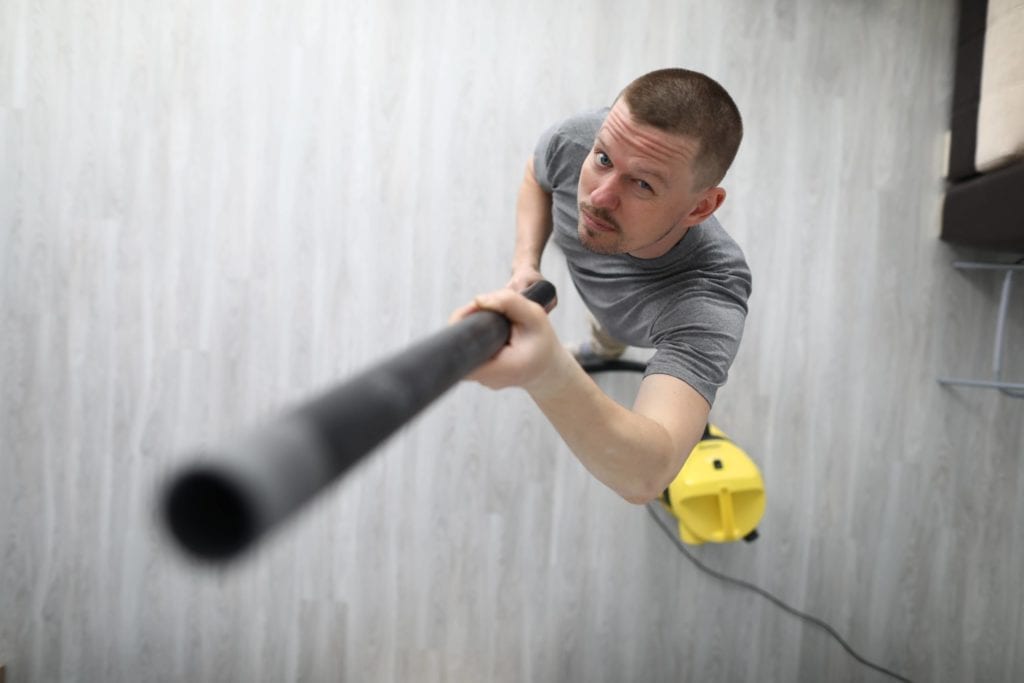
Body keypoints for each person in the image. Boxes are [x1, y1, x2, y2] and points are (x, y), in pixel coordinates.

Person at [450, 68, 751, 504]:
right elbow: (536, 176)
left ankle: (604, 346)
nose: (598, 198)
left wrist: (546, 371)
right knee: (602, 330)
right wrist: (524, 266)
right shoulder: (578, 141)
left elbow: (648, 475)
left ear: (701, 206)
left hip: (638, 323)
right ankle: (601, 349)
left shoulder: (709, 295)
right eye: (604, 160)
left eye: (643, 184)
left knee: (614, 329)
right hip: (603, 302)